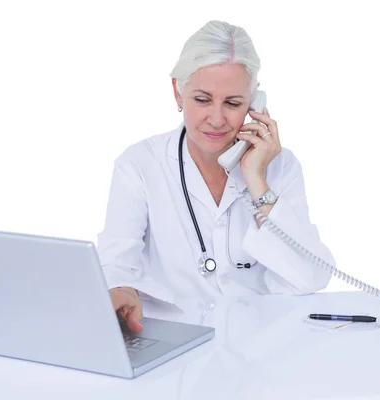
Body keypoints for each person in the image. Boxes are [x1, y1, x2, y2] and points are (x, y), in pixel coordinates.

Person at [97, 20, 334, 333]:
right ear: (177, 93)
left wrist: (256, 178)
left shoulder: (280, 166)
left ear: (254, 104)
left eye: (233, 103)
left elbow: (309, 277)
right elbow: (116, 265)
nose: (217, 119)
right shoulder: (139, 164)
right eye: (202, 99)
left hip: (259, 348)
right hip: (174, 341)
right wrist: (122, 290)